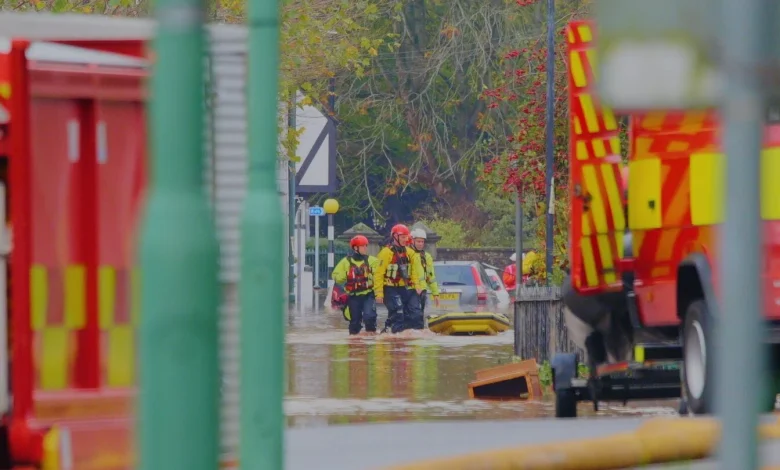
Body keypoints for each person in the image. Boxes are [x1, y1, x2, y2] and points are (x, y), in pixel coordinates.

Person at [374, 224, 424, 333]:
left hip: (407, 287)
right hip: (391, 288)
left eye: (406, 237)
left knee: (416, 314)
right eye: (402, 237)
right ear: (395, 236)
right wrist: (379, 293)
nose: (405, 239)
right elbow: (379, 274)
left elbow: (413, 272)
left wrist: (417, 286)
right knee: (398, 312)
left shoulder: (410, 253)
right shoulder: (386, 253)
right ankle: (393, 336)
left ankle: (415, 340)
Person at [331, 235, 379, 335]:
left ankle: (371, 338)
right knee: (354, 323)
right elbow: (335, 276)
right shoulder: (346, 262)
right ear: (355, 248)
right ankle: (355, 345)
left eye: (366, 245)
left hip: (368, 294)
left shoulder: (372, 261)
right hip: (353, 296)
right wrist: (347, 274)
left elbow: (380, 273)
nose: (365, 248)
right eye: (363, 246)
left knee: (369, 317)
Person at [410, 228, 439, 315]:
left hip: (422, 290)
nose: (420, 244)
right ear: (413, 241)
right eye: (418, 241)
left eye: (422, 242)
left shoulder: (427, 257)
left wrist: (435, 293)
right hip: (410, 290)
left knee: (421, 315)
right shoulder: (408, 254)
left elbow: (431, 276)